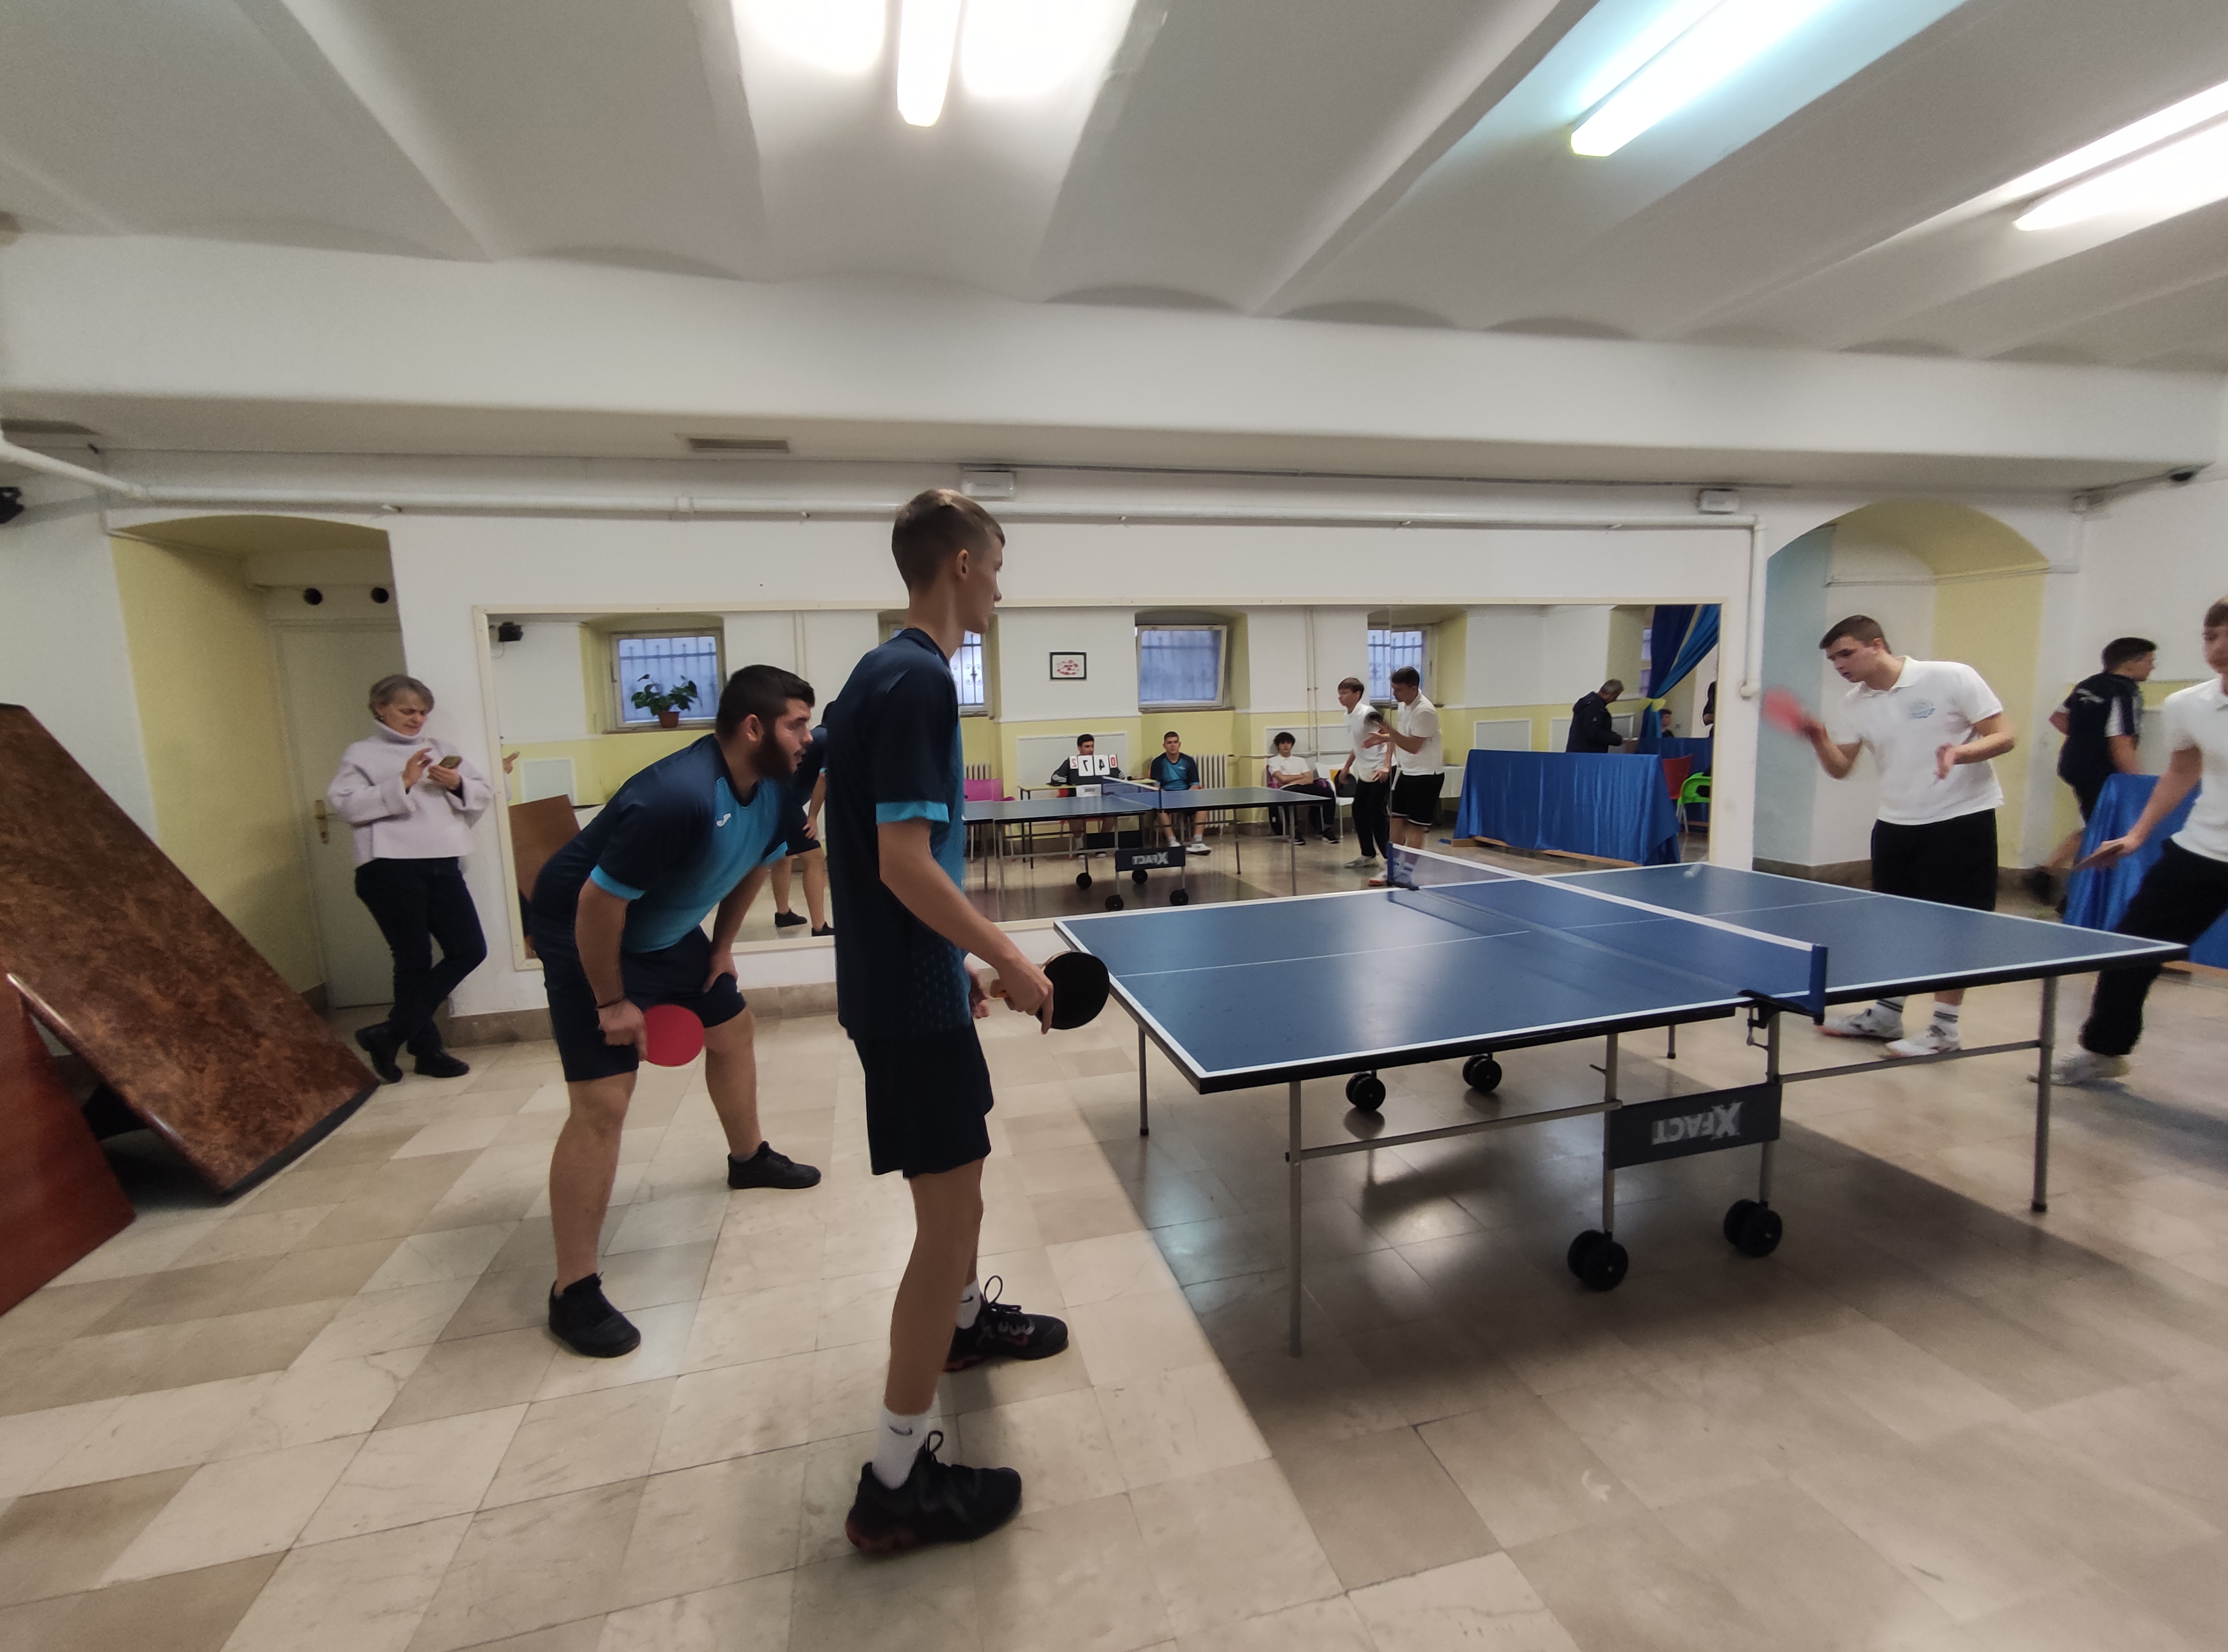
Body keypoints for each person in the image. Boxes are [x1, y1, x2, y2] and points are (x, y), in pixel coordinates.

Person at [825, 489, 1066, 1552]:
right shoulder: (921, 678)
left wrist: (946, 958)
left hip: (907, 983)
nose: (1001, 590)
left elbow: (869, 856)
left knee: (960, 1196)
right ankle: (893, 1482)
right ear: (961, 563)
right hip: (907, 1004)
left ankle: (964, 1330)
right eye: (998, 568)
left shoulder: (877, 672)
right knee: (945, 1223)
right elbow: (901, 862)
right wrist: (1008, 957)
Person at [528, 665, 824, 1359]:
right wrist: (612, 1001)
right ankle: (573, 1290)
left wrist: (720, 947)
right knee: (603, 1102)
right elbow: (597, 904)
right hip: (584, 935)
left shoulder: (778, 786)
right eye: (796, 725)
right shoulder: (675, 797)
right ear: (753, 728)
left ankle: (749, 1158)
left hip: (665, 933)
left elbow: (757, 862)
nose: (808, 738)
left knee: (734, 1030)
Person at [1791, 615, 2015, 1058]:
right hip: (1895, 824)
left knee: (1954, 929)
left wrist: (1960, 753)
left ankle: (1944, 1029)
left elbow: (2005, 737)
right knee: (1894, 926)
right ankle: (1887, 1014)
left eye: (1846, 654)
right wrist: (1818, 737)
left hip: (1959, 819)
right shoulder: (1855, 702)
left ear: (1877, 645)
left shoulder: (1950, 677)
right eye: (1833, 659)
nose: (1839, 665)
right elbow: (1841, 768)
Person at [2051, 599, 2228, 1085]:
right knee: (2131, 950)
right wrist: (2137, 833)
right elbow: (2182, 770)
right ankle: (2104, 1052)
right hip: (2201, 851)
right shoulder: (2188, 705)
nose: (2219, 647)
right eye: (2211, 636)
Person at [328, 674, 492, 1083]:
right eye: (407, 711)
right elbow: (345, 806)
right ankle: (426, 1051)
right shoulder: (362, 753)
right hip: (389, 867)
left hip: (443, 863)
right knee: (414, 959)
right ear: (380, 708)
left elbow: (483, 793)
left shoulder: (443, 749)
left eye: (422, 712)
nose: (417, 719)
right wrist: (401, 782)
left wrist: (457, 784)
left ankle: (390, 1034)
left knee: (469, 950)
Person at [2027, 636, 2155, 901]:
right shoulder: (2125, 692)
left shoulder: (2089, 685)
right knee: (2104, 828)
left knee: (2096, 823)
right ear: (2132, 663)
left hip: (2074, 763)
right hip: (2102, 770)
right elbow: (2121, 741)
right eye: (2149, 661)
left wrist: (2086, 737)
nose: (2152, 668)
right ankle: (2076, 893)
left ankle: (2048, 872)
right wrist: (2137, 781)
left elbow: (2059, 718)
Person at [1367, 666, 1442, 882]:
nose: (1394, 694)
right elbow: (1404, 737)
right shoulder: (1403, 706)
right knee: (1395, 820)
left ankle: (1407, 872)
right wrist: (1383, 738)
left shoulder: (1425, 711)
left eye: (1399, 690)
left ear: (1414, 688)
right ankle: (1392, 868)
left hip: (1426, 775)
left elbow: (1413, 747)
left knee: (1416, 827)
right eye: (1393, 689)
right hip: (1405, 772)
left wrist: (1389, 730)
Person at [769, 724, 833, 937]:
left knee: (783, 854)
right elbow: (824, 778)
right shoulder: (831, 738)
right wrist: (813, 817)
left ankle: (783, 913)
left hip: (777, 798)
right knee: (815, 859)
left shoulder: (819, 735)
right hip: (786, 802)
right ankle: (819, 926)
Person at [1337, 676, 1390, 872]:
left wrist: (1386, 766)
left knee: (1376, 813)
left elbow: (1392, 737)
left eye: (1344, 693)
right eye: (1339, 693)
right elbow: (1357, 745)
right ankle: (1368, 855)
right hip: (1365, 771)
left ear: (1357, 694)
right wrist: (1347, 767)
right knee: (1359, 810)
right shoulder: (1348, 716)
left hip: (1381, 769)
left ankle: (1391, 859)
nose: (1340, 697)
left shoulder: (1369, 714)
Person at [1265, 731, 1337, 844]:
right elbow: (1282, 779)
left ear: (1292, 745)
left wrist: (1292, 780)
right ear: (1278, 745)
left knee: (1329, 793)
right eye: (1283, 743)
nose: (1286, 745)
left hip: (1305, 787)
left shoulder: (1300, 761)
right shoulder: (1273, 761)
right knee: (1289, 797)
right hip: (1288, 789)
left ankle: (1327, 829)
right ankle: (1294, 831)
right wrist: (1301, 776)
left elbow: (1309, 779)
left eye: (1288, 743)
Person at [1150, 730, 1207, 854]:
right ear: (1164, 745)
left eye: (1175, 742)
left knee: (1203, 807)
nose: (1173, 745)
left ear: (1179, 744)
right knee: (1160, 809)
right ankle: (1172, 841)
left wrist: (1185, 796)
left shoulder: (1188, 761)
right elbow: (1157, 787)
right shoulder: (1158, 762)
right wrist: (1168, 796)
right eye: (1169, 743)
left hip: (1186, 796)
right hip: (1167, 797)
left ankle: (1197, 841)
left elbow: (1195, 785)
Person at [1567, 680, 1624, 753]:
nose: (1615, 700)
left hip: (1578, 751)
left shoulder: (1588, 703)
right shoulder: (1595, 707)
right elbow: (1595, 732)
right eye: (1615, 696)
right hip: (1588, 752)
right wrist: (1617, 740)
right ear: (1608, 694)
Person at [1048, 733, 1120, 788]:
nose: (1091, 750)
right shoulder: (1071, 762)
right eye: (1087, 747)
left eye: (1092, 746)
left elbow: (1120, 777)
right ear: (1079, 748)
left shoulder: (1102, 761)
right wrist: (1067, 781)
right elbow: (1056, 777)